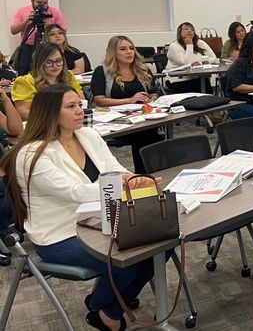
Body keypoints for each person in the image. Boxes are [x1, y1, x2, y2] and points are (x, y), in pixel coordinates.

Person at [1, 84, 164, 331]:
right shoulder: (31, 154)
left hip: (102, 220)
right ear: (50, 113)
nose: (80, 110)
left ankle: (104, 307)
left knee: (163, 245)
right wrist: (122, 186)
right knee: (128, 257)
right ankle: (108, 306)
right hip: (60, 235)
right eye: (71, 106)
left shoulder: (88, 135)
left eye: (79, 104)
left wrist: (132, 178)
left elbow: (113, 167)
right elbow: (74, 192)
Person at [91, 36, 164, 174]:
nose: (129, 52)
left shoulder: (142, 69)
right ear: (113, 52)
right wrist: (129, 100)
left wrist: (151, 99)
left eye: (131, 48)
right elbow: (100, 100)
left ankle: (150, 173)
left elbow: (154, 93)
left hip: (141, 116)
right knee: (146, 135)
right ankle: (144, 174)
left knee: (150, 133)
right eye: (123, 49)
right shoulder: (102, 71)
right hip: (115, 121)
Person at [12, 43, 84, 120]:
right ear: (39, 62)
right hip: (40, 123)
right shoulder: (25, 82)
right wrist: (53, 119)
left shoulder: (68, 76)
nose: (55, 66)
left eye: (59, 61)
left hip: (68, 120)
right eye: (49, 62)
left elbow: (81, 99)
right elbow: (23, 111)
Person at [9, 0, 68, 74]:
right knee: (24, 70)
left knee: (49, 69)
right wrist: (27, 20)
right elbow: (13, 30)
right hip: (29, 47)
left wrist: (49, 27)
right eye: (39, 2)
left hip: (49, 46)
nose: (42, 5)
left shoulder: (54, 12)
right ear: (32, 1)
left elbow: (63, 31)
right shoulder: (22, 11)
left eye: (45, 3)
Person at [165, 22, 215, 93]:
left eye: (192, 30)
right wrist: (189, 45)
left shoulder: (200, 43)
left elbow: (214, 58)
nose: (189, 31)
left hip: (198, 78)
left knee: (206, 87)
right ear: (179, 32)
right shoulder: (174, 46)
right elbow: (185, 63)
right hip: (179, 80)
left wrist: (201, 62)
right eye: (186, 29)